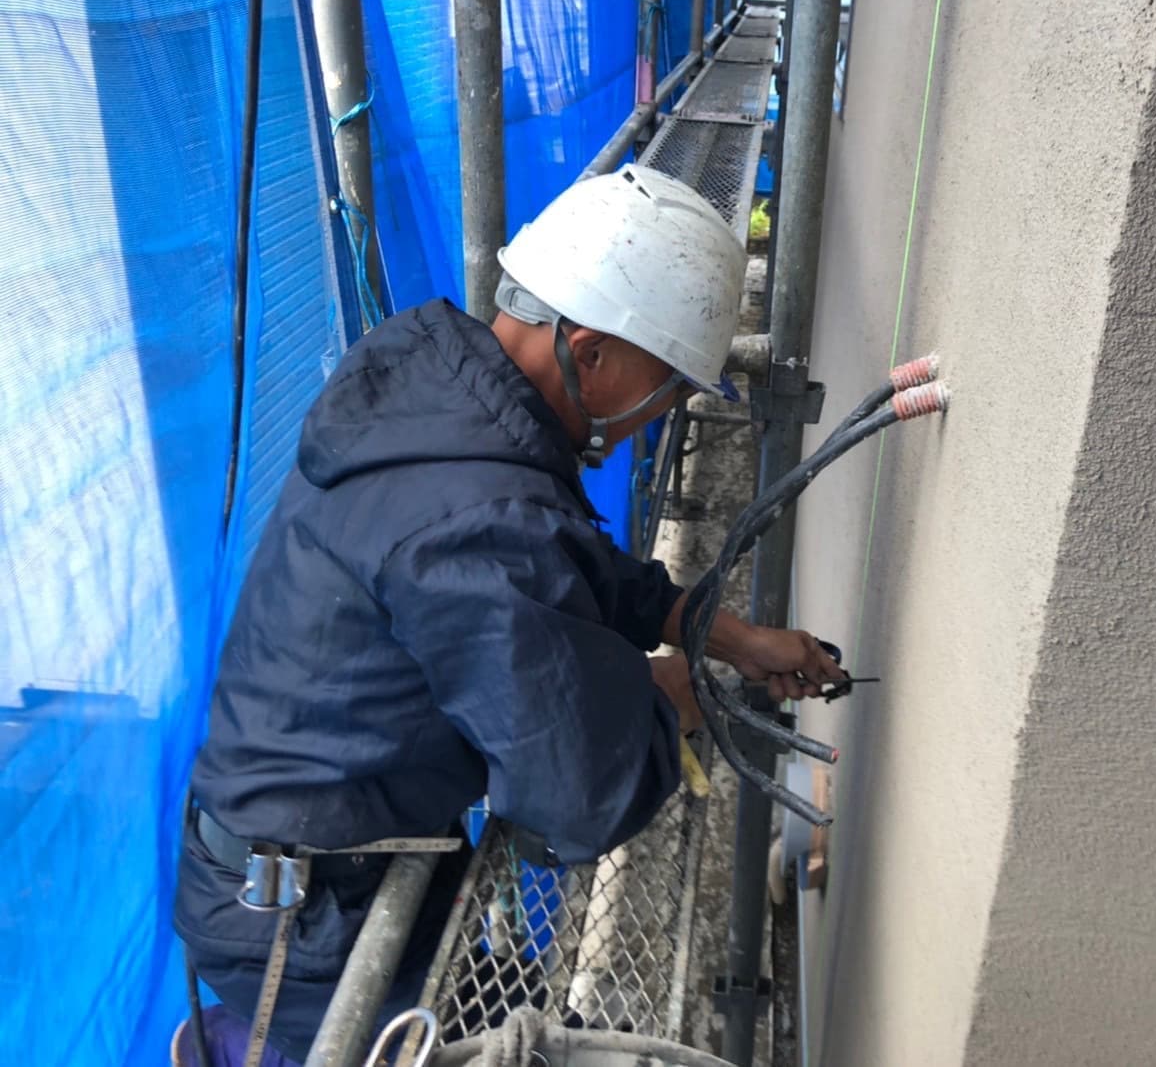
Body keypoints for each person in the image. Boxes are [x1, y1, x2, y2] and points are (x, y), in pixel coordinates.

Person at [171, 166, 845, 1065]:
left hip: (331, 858)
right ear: (590, 353)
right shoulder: (478, 517)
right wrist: (685, 689)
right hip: (305, 926)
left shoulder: (441, 394)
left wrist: (726, 635)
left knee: (518, 1011)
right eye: (668, 386)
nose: (663, 414)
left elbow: (564, 565)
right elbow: (580, 791)